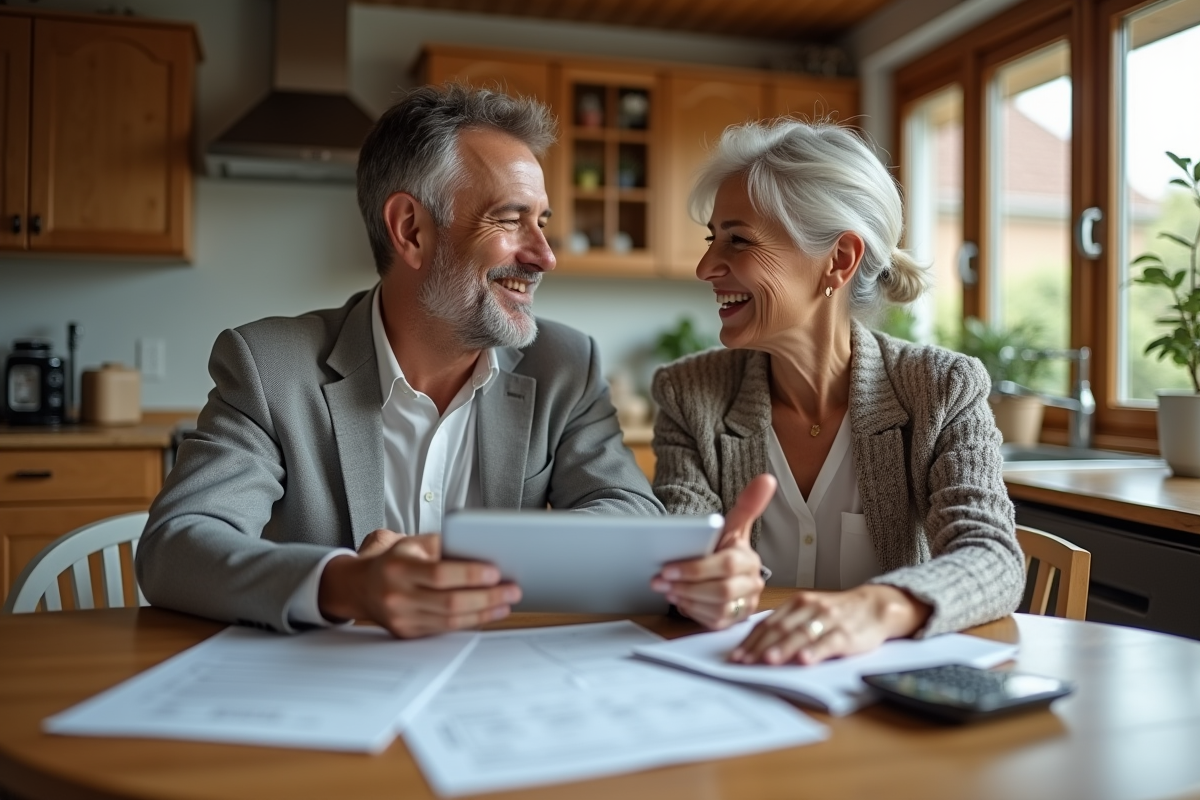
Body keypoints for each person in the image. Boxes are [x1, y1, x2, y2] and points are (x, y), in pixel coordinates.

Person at [136, 84, 670, 637]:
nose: (545, 255)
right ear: (411, 230)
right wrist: (346, 584)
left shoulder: (563, 364)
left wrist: (485, 559)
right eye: (512, 220)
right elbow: (175, 546)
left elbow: (631, 513)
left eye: (542, 221)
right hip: (326, 689)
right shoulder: (270, 368)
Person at [648, 118, 1024, 665]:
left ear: (839, 260)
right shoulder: (689, 394)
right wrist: (703, 581)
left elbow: (992, 558)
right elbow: (683, 551)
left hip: (888, 705)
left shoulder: (941, 390)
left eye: (738, 239)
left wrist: (875, 609)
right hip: (748, 682)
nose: (706, 266)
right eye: (712, 239)